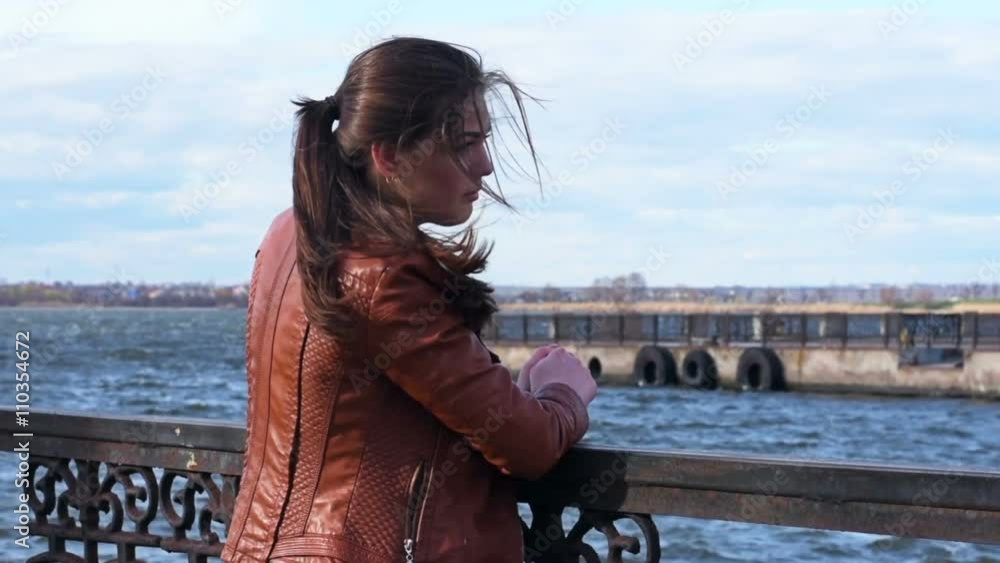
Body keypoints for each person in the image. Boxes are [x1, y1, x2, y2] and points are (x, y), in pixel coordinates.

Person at [221, 37, 597, 563]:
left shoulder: (289, 234)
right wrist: (563, 395)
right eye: (464, 143)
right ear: (391, 156)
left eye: (484, 140)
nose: (485, 165)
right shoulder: (384, 277)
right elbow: (526, 445)